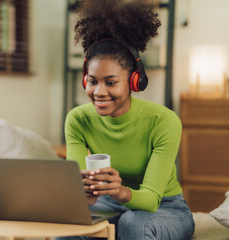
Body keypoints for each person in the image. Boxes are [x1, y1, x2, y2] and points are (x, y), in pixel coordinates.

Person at [60, 0, 195, 239]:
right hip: (108, 204)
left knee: (134, 223)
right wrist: (85, 194)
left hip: (165, 206)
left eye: (110, 82)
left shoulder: (164, 121)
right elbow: (79, 190)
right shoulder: (78, 119)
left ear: (135, 81)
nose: (99, 92)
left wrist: (121, 191)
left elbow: (151, 200)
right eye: (92, 81)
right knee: (68, 227)